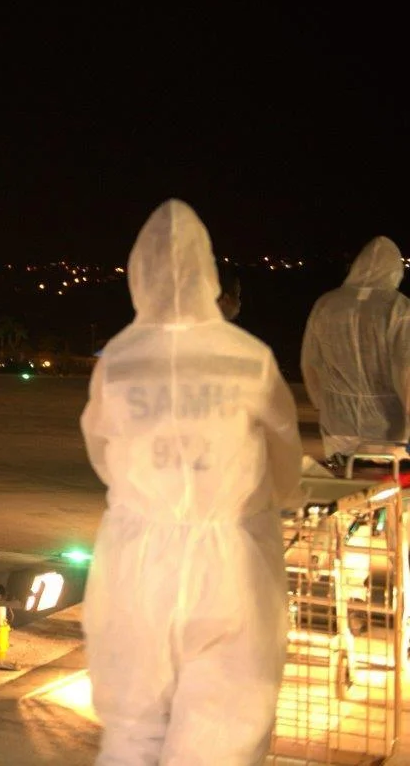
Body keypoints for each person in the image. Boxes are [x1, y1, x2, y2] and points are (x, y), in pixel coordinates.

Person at [80, 199, 302, 765]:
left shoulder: (120, 357)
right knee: (222, 721)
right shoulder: (248, 355)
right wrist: (270, 503)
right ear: (207, 272)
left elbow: (102, 448)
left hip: (135, 559)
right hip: (228, 558)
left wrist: (145, 498)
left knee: (132, 721)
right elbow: (282, 450)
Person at [300, 236, 410, 468]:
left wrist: (321, 404)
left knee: (348, 494)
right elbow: (406, 370)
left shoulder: (327, 305)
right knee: (390, 498)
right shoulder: (399, 309)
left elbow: (311, 363)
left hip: (337, 426)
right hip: (388, 431)